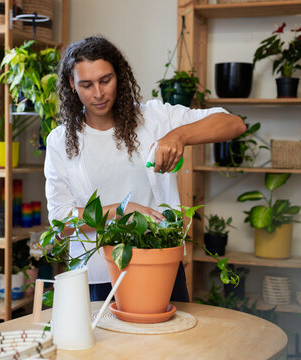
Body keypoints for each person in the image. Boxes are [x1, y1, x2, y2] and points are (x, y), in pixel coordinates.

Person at [44, 35, 246, 301]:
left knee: (171, 342)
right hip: (98, 276)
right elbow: (61, 222)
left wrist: (180, 136)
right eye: (86, 84)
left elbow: (234, 124)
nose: (98, 93)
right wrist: (121, 210)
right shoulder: (60, 141)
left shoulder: (154, 118)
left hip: (159, 266)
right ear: (71, 84)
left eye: (105, 80)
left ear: (119, 75)